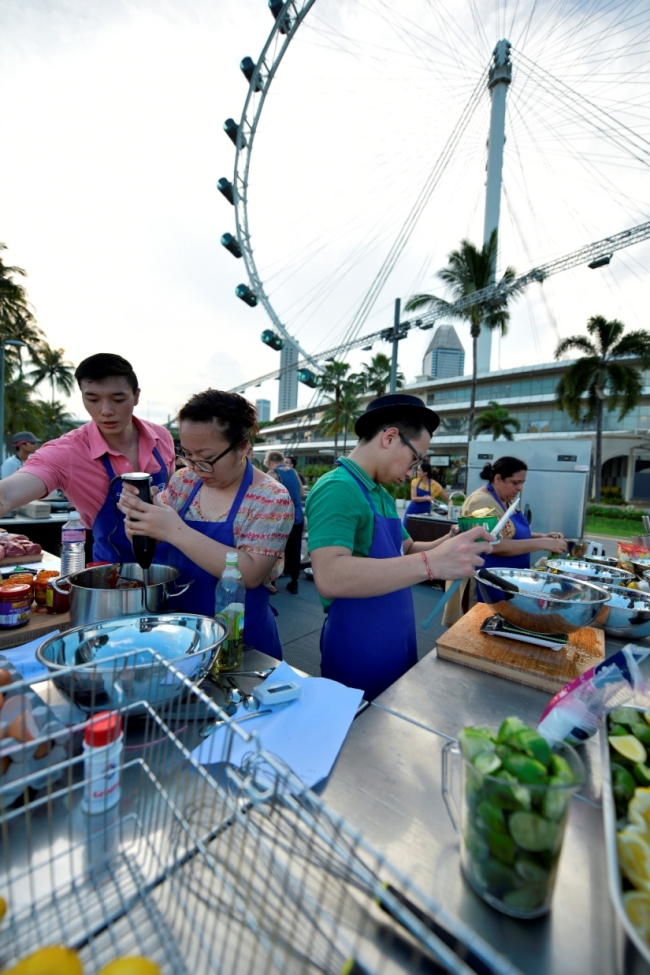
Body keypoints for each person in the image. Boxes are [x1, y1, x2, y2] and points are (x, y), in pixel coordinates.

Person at [305, 393, 493, 700]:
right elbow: (329, 576)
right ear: (390, 437)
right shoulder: (338, 488)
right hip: (360, 644)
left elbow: (405, 549)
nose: (412, 472)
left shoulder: (381, 494)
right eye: (415, 458)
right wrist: (432, 564)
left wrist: (451, 541)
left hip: (396, 634)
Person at [118, 390, 294, 659]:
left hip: (238, 640)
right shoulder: (184, 481)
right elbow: (154, 544)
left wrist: (172, 529)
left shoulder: (271, 497)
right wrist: (139, 521)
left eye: (207, 458)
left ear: (242, 447)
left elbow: (250, 573)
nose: (197, 467)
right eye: (187, 454)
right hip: (176, 633)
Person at [0, 353, 175, 562]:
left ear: (136, 396)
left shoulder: (161, 437)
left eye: (118, 399)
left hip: (176, 569)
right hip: (111, 578)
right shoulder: (67, 453)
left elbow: (174, 497)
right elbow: (5, 496)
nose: (106, 411)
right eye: (92, 399)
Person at [264, 450, 304, 594]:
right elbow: (300, 493)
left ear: (271, 462)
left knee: (275, 550)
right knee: (295, 549)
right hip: (297, 516)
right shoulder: (293, 472)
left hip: (280, 518)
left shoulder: (271, 475)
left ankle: (272, 583)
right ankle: (294, 582)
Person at [402, 460, 449, 525]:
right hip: (412, 511)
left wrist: (451, 509)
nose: (417, 472)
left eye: (419, 470)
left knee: (422, 532)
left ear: (425, 473)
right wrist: (426, 498)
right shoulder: (415, 481)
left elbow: (447, 499)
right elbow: (414, 498)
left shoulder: (434, 485)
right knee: (407, 530)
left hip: (425, 513)